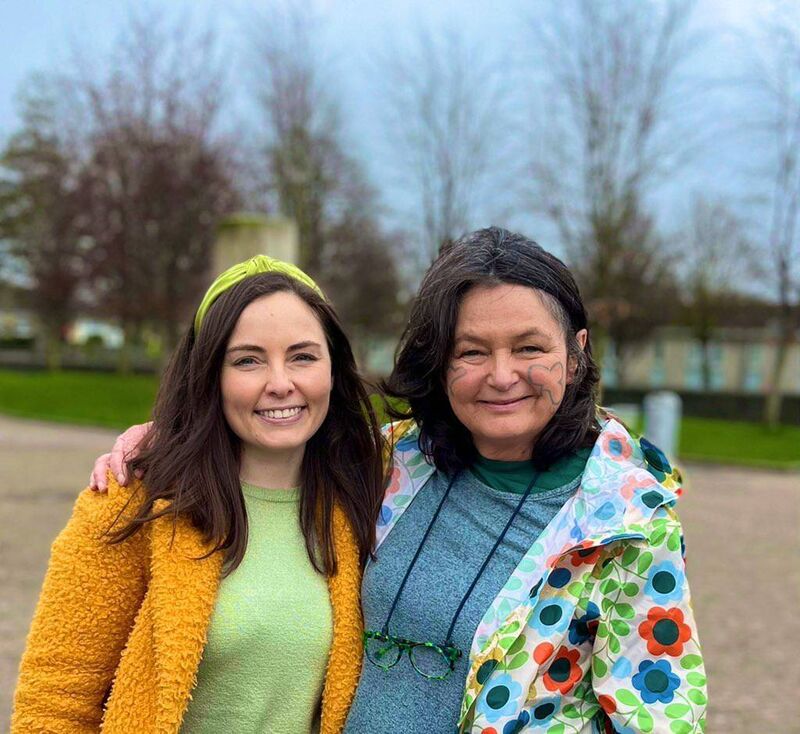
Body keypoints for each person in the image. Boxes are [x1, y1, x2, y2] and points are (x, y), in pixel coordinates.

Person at [86, 228, 707, 733]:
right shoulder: (390, 464)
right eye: (471, 352)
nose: (501, 375)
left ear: (575, 355)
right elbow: (271, 433)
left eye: (529, 348)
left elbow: (661, 717)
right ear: (438, 363)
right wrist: (162, 439)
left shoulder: (628, 525)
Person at [12, 256, 386, 734]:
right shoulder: (130, 499)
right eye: (248, 360)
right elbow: (54, 700)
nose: (279, 383)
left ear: (333, 368)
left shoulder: (367, 495)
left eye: (303, 356)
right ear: (210, 375)